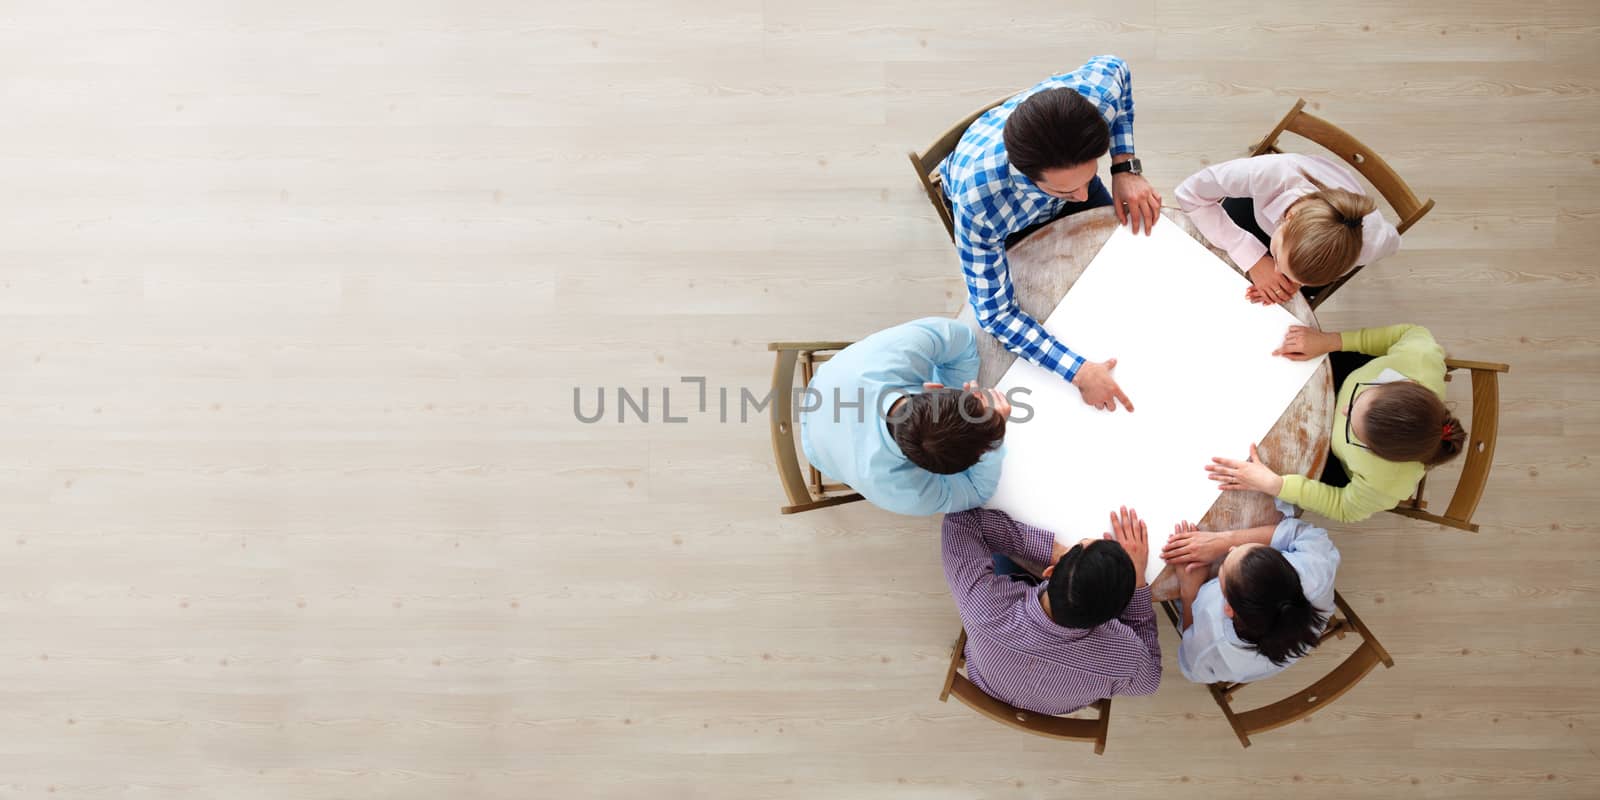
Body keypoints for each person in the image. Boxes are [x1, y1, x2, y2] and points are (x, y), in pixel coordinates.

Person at [940, 55, 1161, 413]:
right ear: (1029, 176)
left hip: (1035, 138)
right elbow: (995, 314)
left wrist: (1124, 166)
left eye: (1090, 178)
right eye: (1065, 192)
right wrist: (1078, 371)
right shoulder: (978, 203)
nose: (1086, 198)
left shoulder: (1096, 96)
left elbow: (1116, 66)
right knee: (1041, 299)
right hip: (1006, 214)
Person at [1206, 323, 1465, 523]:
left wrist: (1275, 485)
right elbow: (1410, 332)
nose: (1342, 410)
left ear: (1375, 452)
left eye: (1354, 427)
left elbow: (1344, 508)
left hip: (1331, 456)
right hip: (1341, 375)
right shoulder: (1418, 359)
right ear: (1403, 383)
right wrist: (1330, 341)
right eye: (1359, 399)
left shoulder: (1386, 483)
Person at [941, 505, 1161, 715]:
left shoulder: (984, 609)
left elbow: (960, 519)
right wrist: (1139, 584)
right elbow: (1149, 681)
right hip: (1054, 704)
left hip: (988, 679)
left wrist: (1057, 552)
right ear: (1115, 616)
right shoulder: (1124, 658)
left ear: (1049, 572)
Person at [800, 317, 1009, 516]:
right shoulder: (902, 491)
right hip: (819, 449)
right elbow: (975, 492)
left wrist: (971, 416)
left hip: (826, 387)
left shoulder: (900, 352)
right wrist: (993, 433)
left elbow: (962, 339)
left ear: (933, 387)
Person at [1173, 153, 1400, 306]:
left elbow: (1394, 241)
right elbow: (1189, 192)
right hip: (1258, 205)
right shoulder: (1269, 172)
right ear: (1289, 217)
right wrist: (1254, 259)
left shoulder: (1371, 241)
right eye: (1280, 262)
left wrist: (1294, 281)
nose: (1276, 270)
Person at [1160, 505, 1339, 684]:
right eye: (1246, 548)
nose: (1231, 549)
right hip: (1294, 641)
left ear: (1228, 608)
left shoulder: (1211, 644)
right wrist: (1223, 541)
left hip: (1243, 662)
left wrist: (1189, 591)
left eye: (1223, 568)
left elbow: (1190, 662)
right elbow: (1303, 533)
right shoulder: (1316, 570)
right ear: (1285, 564)